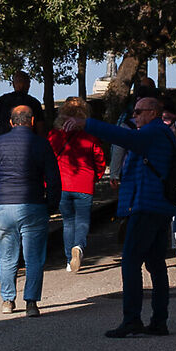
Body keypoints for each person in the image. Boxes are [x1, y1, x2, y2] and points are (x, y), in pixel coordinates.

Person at [83, 89, 176, 337]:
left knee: (131, 262)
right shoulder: (162, 133)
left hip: (146, 205)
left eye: (138, 112)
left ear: (153, 113)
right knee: (156, 265)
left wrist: (87, 123)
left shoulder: (152, 131)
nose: (134, 116)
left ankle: (132, 318)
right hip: (159, 206)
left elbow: (122, 138)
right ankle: (159, 320)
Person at [0, 103, 61, 315]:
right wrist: (50, 206)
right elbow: (53, 179)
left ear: (11, 122)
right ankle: (31, 302)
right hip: (33, 206)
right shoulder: (41, 144)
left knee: (6, 257)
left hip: (4, 206)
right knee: (34, 257)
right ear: (32, 121)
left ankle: (7, 300)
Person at [51, 99, 108, 272]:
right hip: (84, 183)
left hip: (62, 184)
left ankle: (69, 261)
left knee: (68, 222)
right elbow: (100, 159)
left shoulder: (54, 136)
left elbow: (49, 160)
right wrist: (95, 177)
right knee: (82, 220)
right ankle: (79, 247)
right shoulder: (90, 136)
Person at [0, 69, 39, 135]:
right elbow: (40, 128)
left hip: (3, 140)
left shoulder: (1, 100)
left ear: (13, 84)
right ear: (28, 85)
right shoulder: (34, 103)